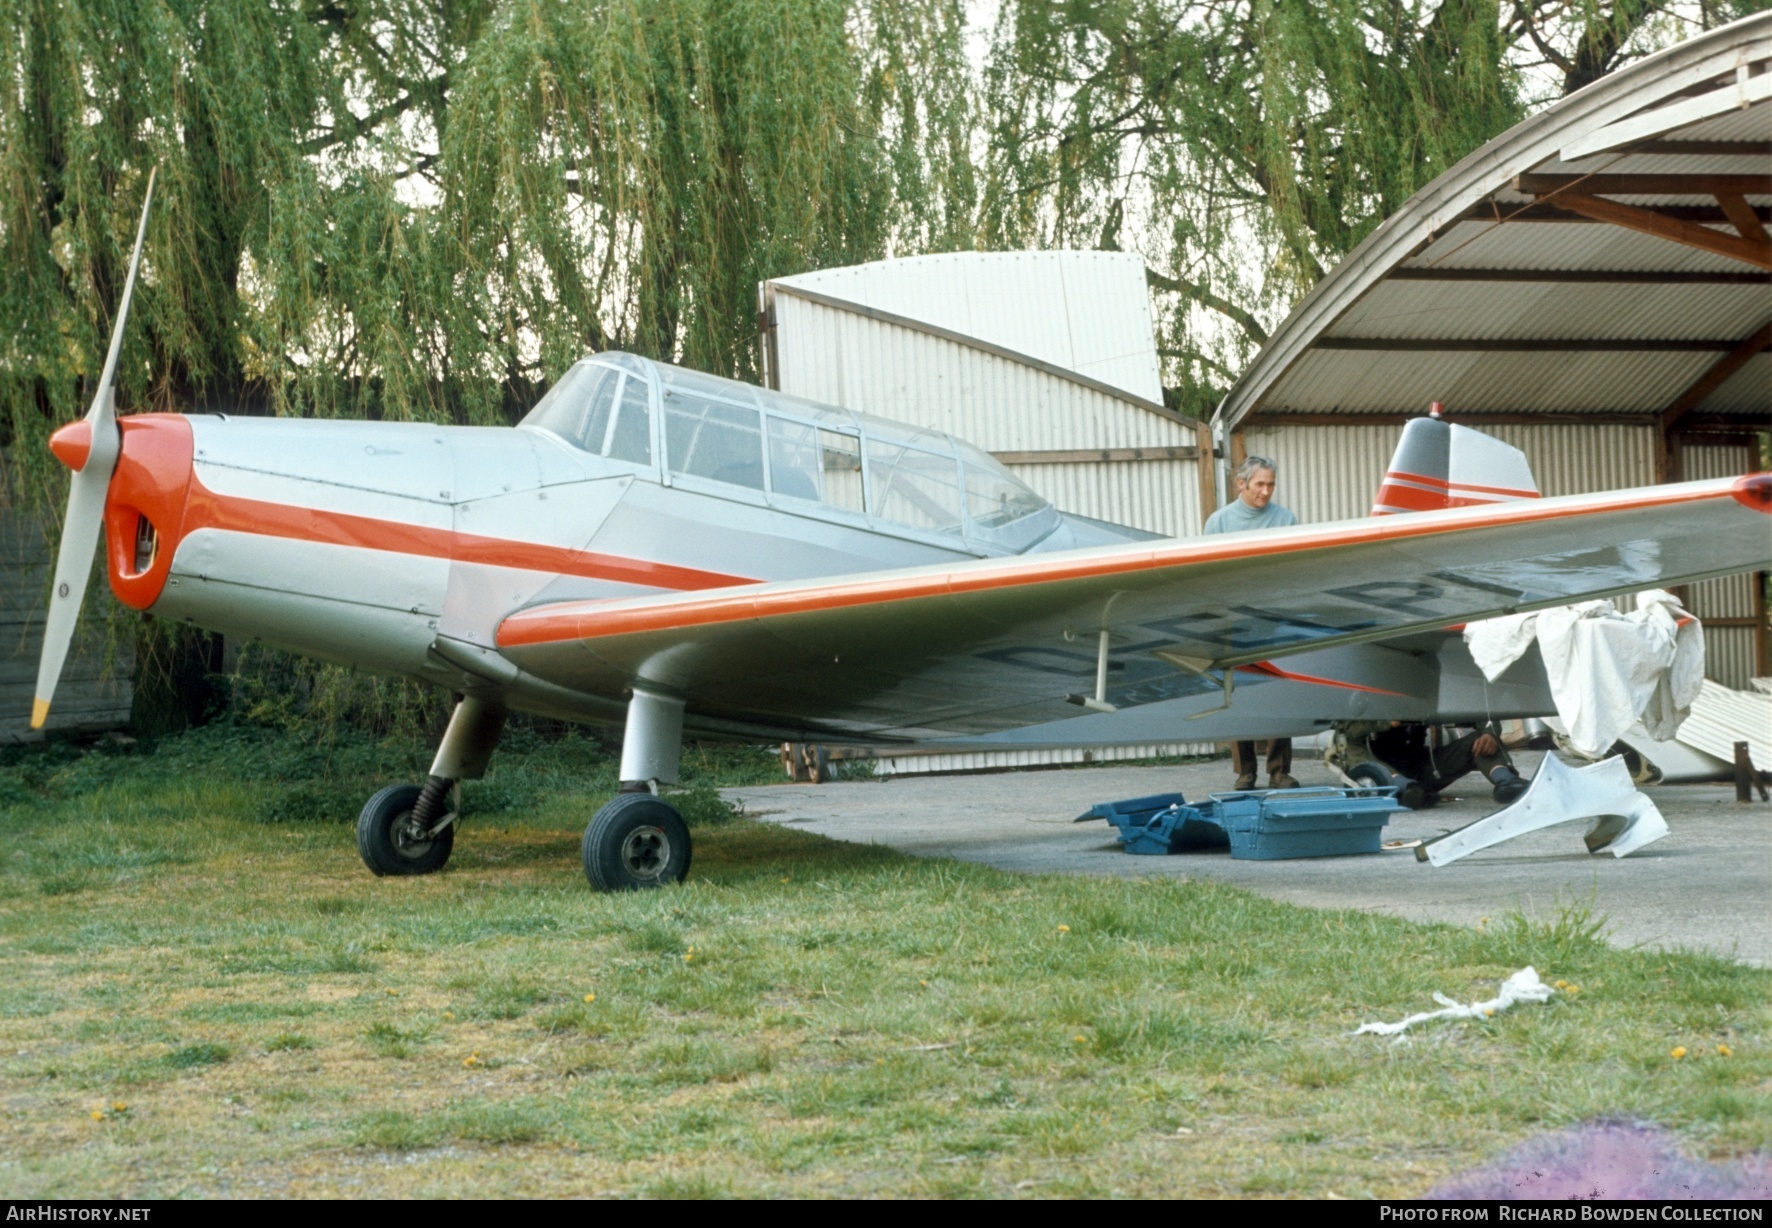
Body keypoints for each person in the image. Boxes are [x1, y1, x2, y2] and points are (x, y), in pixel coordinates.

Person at [1206, 455, 1301, 790]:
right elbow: (1210, 574)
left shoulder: (1286, 519)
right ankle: (1246, 771)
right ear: (1241, 483)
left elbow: (1292, 570)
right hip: (1234, 621)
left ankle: (1279, 771)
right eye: (1260, 484)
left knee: (1278, 691)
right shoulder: (1218, 523)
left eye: (1271, 484)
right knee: (1239, 692)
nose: (1266, 491)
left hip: (1272, 621)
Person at [1367, 721, 1531, 807]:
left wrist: (1490, 734)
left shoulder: (1421, 688)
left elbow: (1483, 714)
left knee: (1482, 739)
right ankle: (1406, 789)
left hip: (1424, 767)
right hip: (1382, 774)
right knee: (1360, 755)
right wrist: (1386, 722)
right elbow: (1350, 738)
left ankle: (1506, 781)